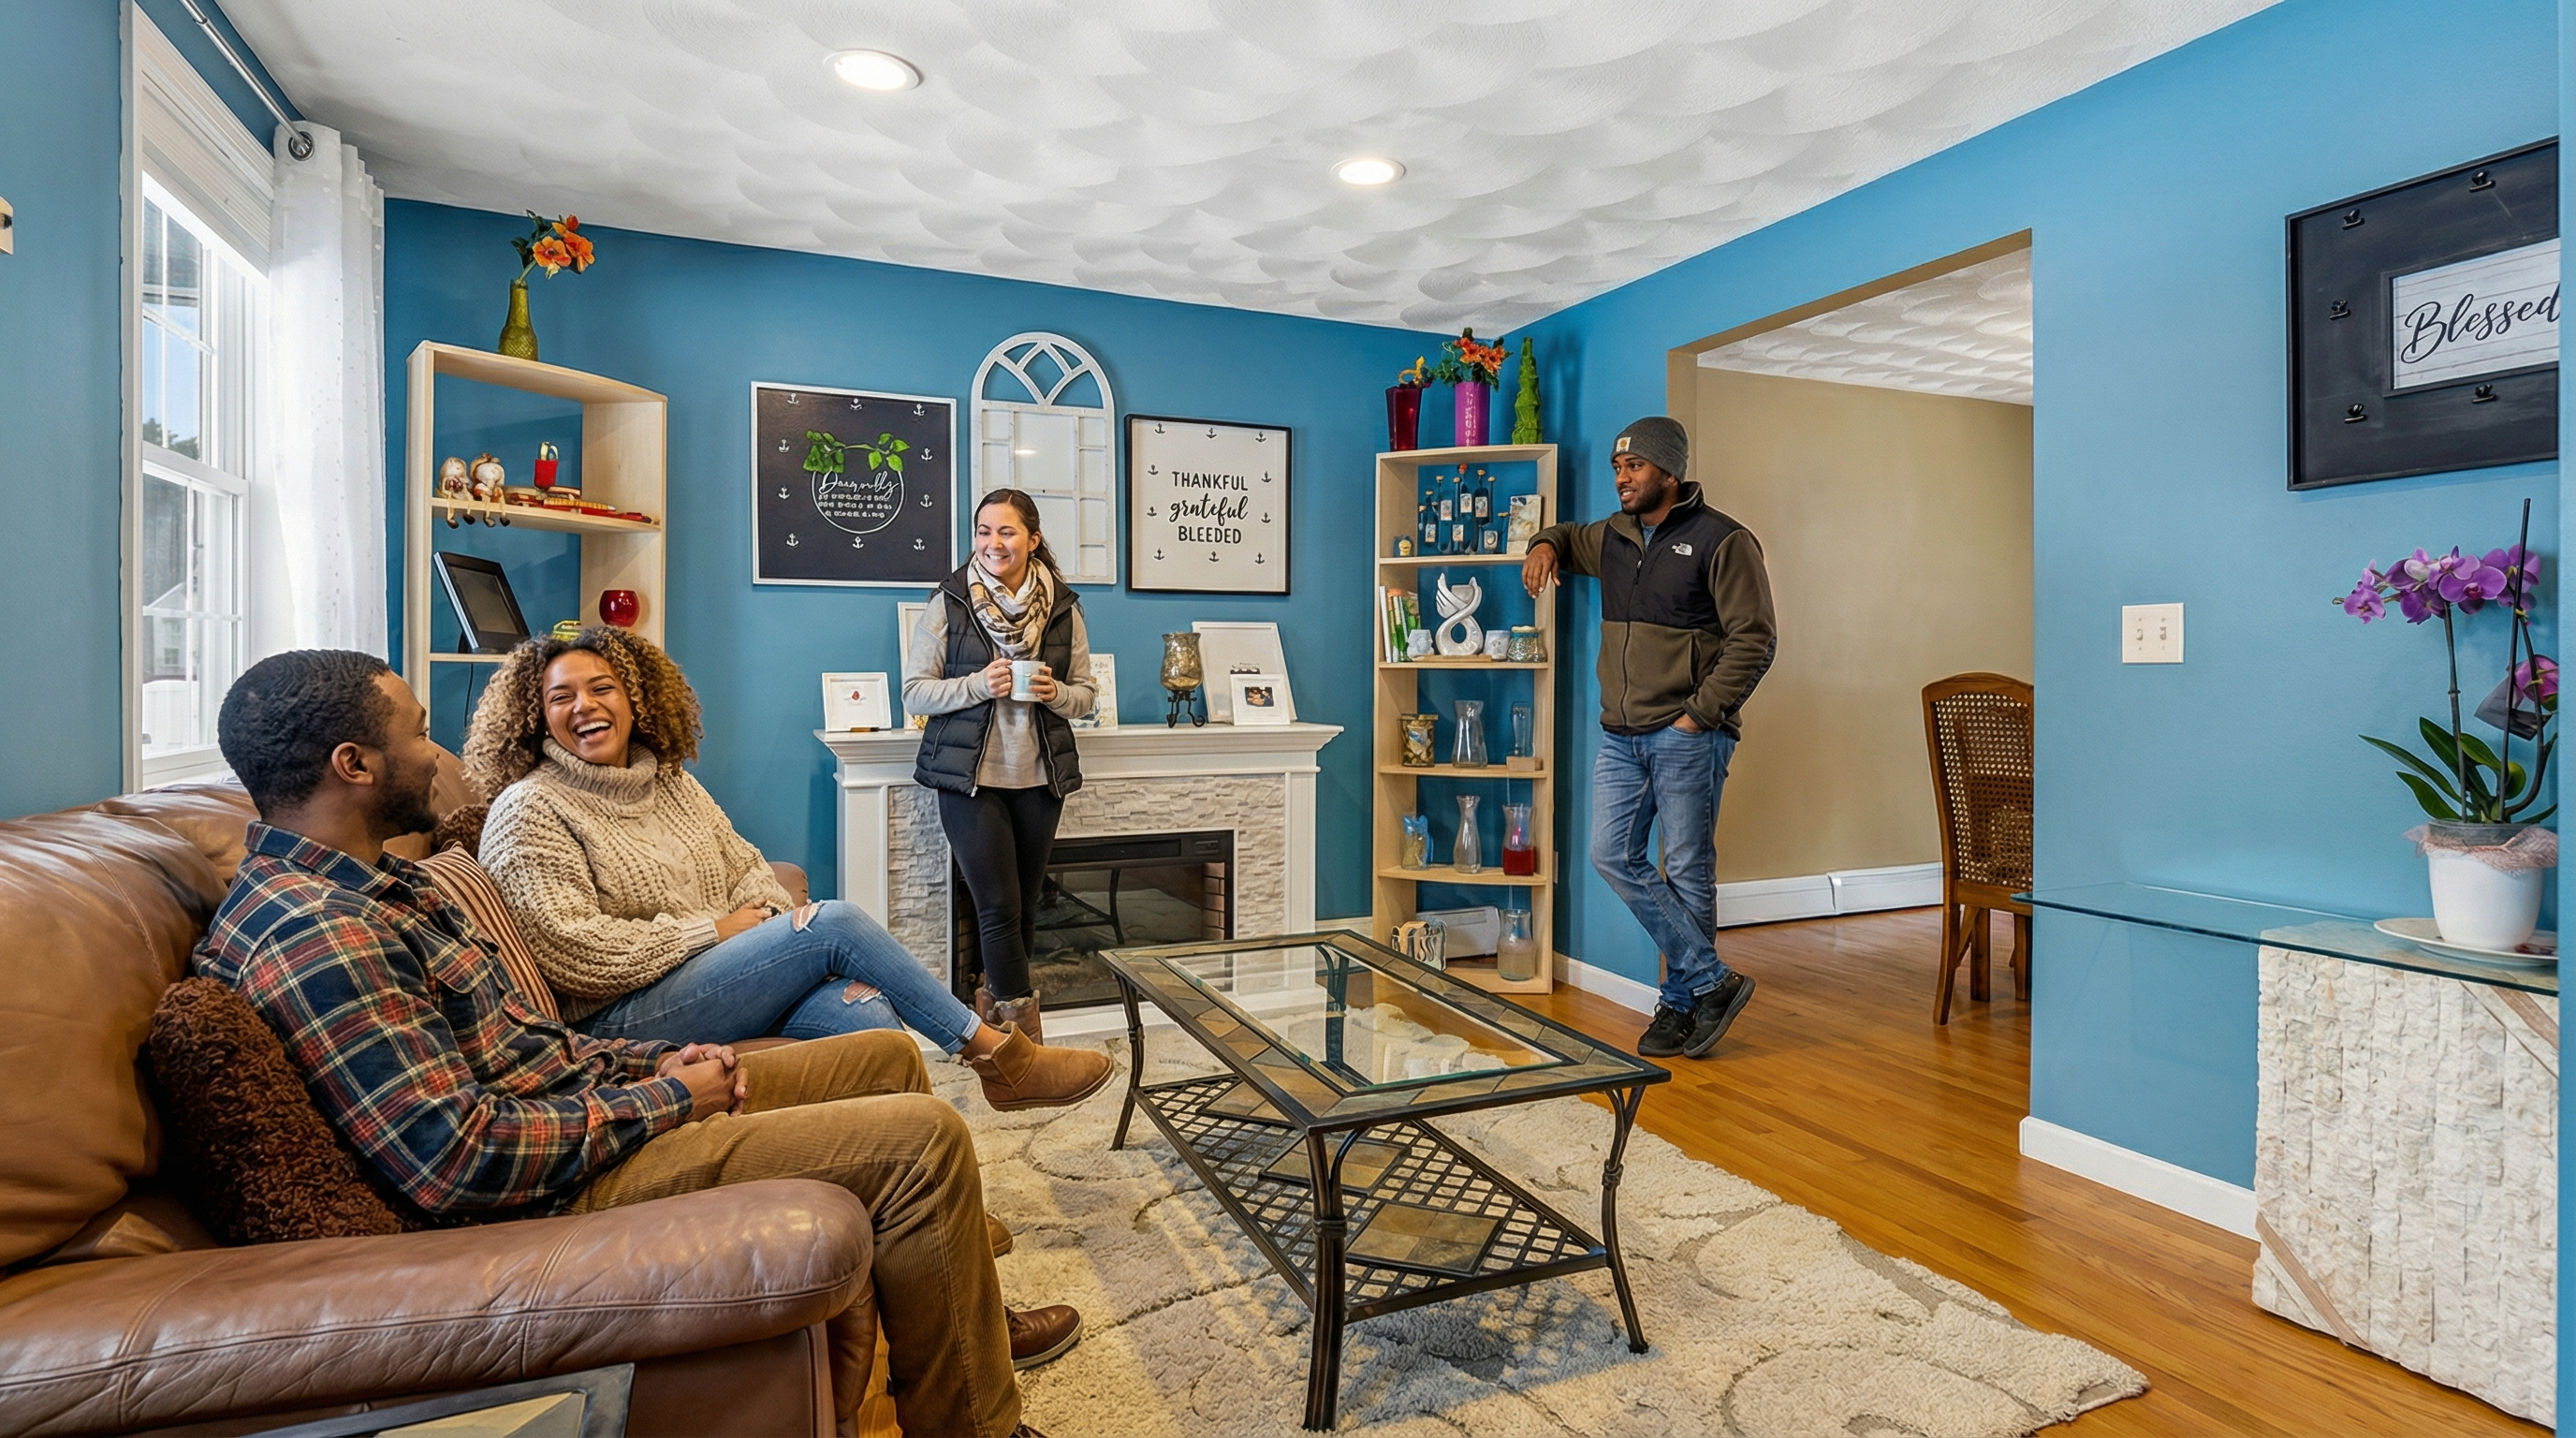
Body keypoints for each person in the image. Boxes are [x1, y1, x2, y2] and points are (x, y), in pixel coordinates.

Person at [194, 650, 1076, 1438]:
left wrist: (653, 1064)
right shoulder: (318, 931)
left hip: (585, 1098)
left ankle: (970, 1298)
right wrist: (664, 1098)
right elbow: (454, 1158)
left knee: (882, 1053)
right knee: (920, 1135)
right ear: (353, 765)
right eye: (420, 732)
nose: (440, 754)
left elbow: (529, 1043)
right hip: (548, 1192)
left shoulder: (383, 886)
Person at [464, 625, 1108, 1113]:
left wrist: (763, 919)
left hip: (713, 980)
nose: (584, 706)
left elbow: (747, 866)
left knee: (873, 1027)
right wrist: (716, 933)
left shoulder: (668, 782)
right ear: (536, 715)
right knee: (835, 924)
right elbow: (570, 950)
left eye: (602, 687)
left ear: (635, 699)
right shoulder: (532, 808)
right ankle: (996, 1055)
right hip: (619, 1015)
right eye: (561, 696)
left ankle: (931, 1197)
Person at [1524, 416, 1778, 1060]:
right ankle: (1710, 980)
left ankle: (1679, 1005)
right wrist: (1544, 546)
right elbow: (1559, 532)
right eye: (1617, 468)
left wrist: (1700, 713)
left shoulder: (1723, 540)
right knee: (1612, 855)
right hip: (1621, 734)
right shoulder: (1609, 537)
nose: (1622, 479)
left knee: (1687, 869)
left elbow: (1754, 639)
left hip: (1687, 734)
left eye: (1633, 467)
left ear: (1669, 470)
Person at [906, 489, 1096, 1044]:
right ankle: (1025, 1047)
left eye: (1006, 532)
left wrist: (1054, 692)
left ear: (1033, 539)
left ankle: (992, 1022)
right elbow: (915, 693)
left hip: (1041, 779)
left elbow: (1086, 696)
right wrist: (975, 685)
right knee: (997, 906)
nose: (993, 543)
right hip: (970, 781)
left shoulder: (1063, 605)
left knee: (1026, 907)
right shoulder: (950, 601)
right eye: (984, 531)